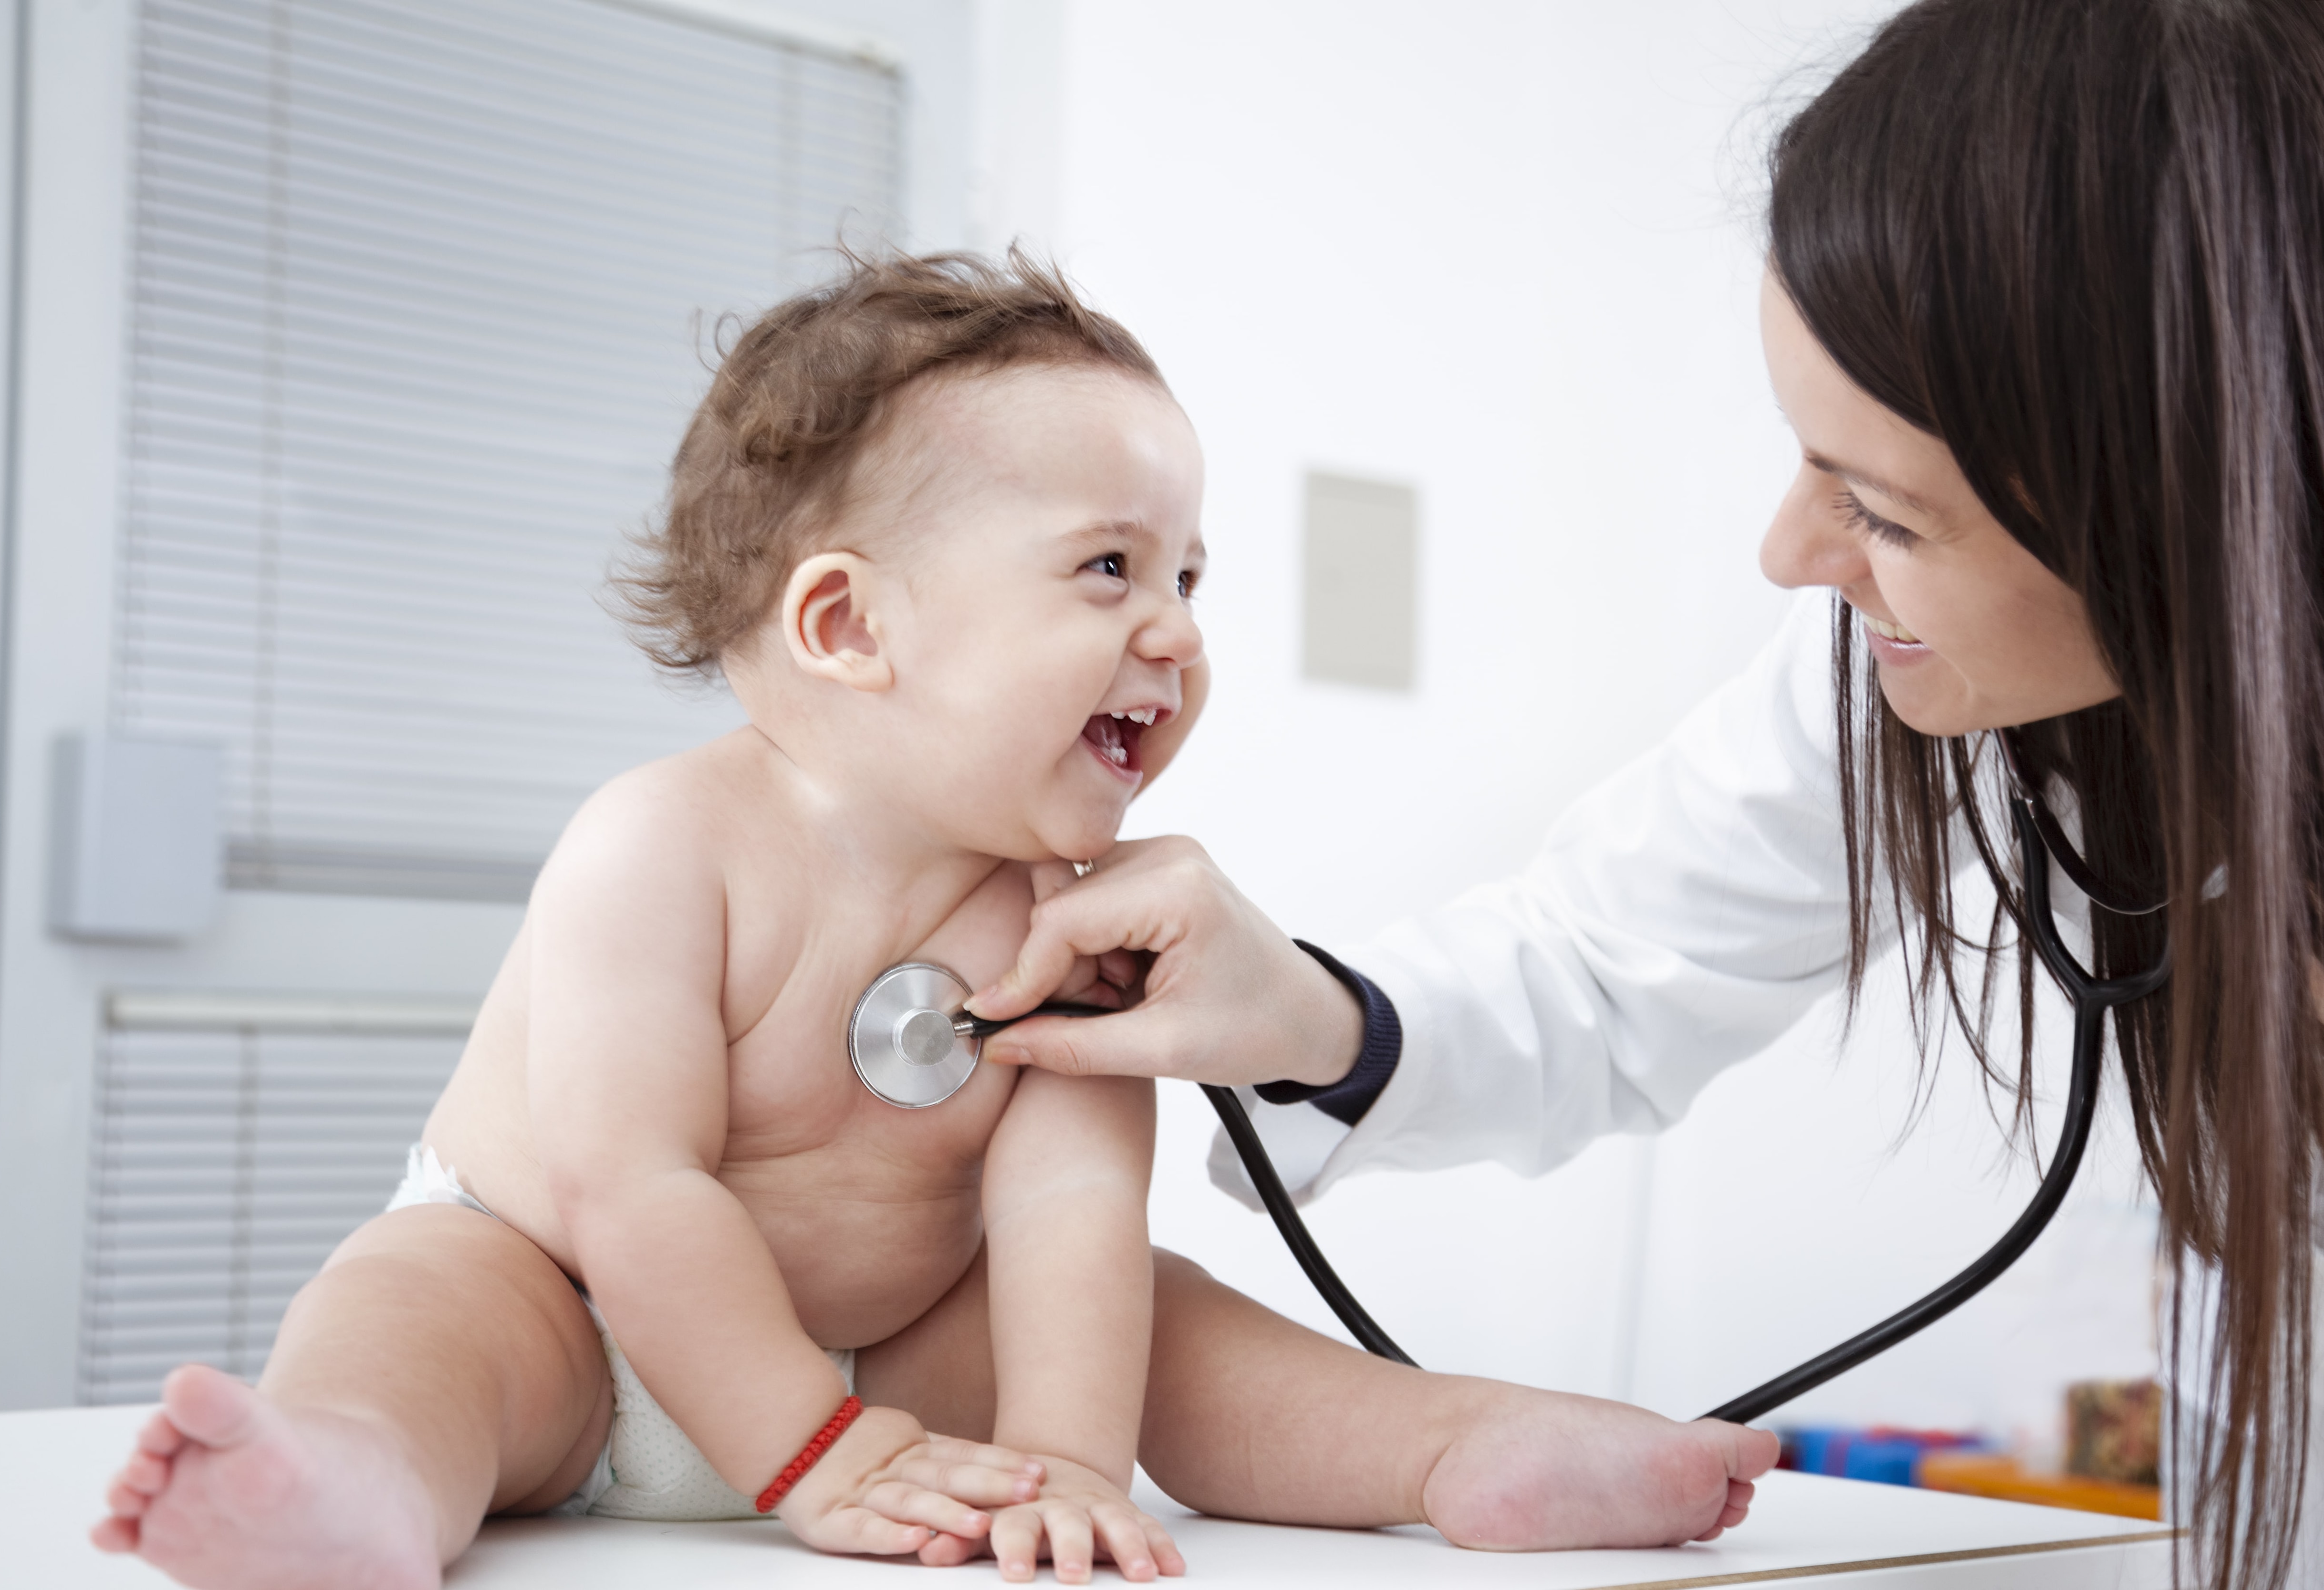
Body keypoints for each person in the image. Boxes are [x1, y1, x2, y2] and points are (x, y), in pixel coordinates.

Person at [87, 251, 1775, 1590]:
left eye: (1193, 577)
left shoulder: (1073, 914)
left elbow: (1065, 1216)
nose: (1178, 632)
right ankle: (356, 1487)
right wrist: (811, 1457)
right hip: (577, 1314)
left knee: (1164, 1319)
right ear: (847, 624)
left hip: (895, 1359)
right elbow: (632, 1186)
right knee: (415, 1313)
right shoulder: (660, 847)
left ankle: (1449, 1446)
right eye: (1110, 570)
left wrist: (1060, 1462)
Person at [964, 4, 2324, 1588]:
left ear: (2184, 499)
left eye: (1882, 509)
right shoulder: (1926, 679)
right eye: (1811, 463)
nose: (1792, 557)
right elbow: (1608, 964)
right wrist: (1306, 1010)